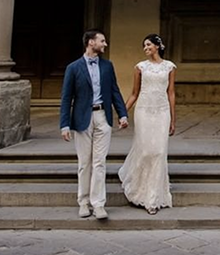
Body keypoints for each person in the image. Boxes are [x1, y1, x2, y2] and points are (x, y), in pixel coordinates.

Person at [59, 29, 128, 220]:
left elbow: (115, 91)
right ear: (91, 42)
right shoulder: (73, 68)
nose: (105, 44)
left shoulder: (107, 66)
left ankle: (98, 204)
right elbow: (66, 98)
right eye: (102, 41)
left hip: (103, 116)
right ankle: (83, 202)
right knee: (84, 162)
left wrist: (122, 114)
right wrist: (64, 124)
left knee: (100, 162)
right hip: (82, 118)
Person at [118, 34, 176, 215]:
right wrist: (123, 112)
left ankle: (153, 197)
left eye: (148, 45)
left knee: (159, 152)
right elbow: (134, 93)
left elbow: (171, 93)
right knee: (145, 151)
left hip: (162, 111)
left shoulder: (170, 67)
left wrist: (173, 119)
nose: (146, 48)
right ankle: (138, 189)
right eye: (144, 46)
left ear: (157, 46)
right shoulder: (140, 67)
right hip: (143, 111)